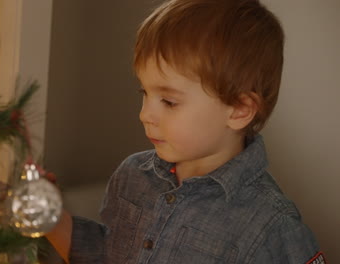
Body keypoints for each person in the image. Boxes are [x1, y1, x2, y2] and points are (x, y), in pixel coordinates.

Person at [46, 0, 325, 263]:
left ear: (239, 110)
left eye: (169, 101)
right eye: (145, 92)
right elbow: (106, 254)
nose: (144, 115)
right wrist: (51, 219)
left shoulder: (272, 225)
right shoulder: (132, 176)